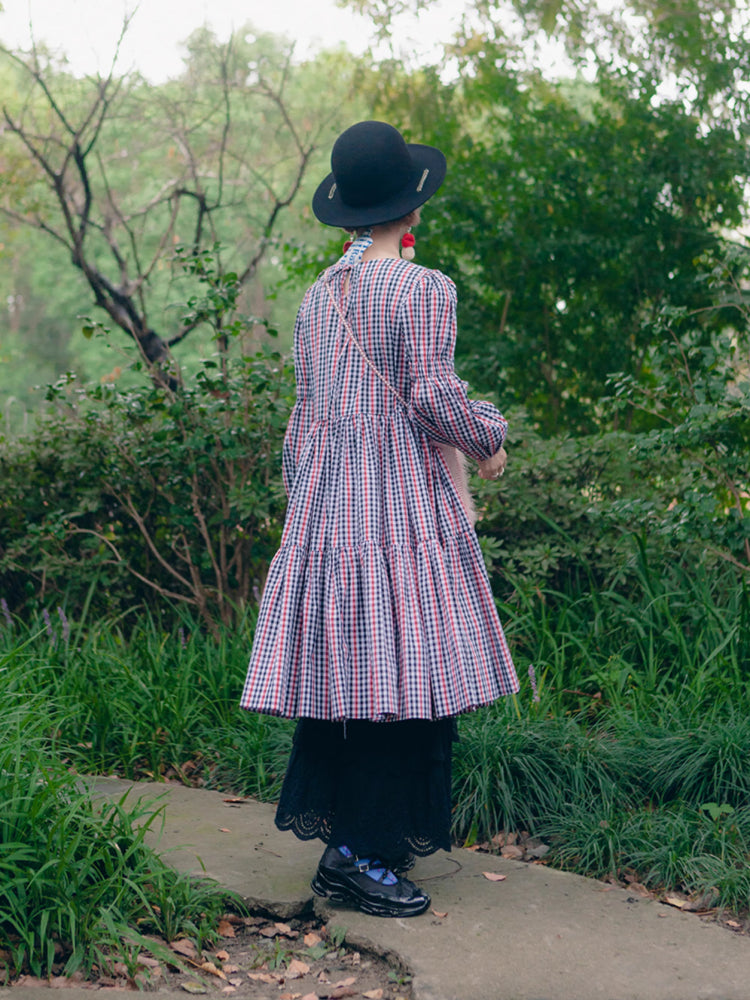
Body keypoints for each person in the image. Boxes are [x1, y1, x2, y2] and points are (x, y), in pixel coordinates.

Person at [240, 120, 518, 918]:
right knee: (404, 679)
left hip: (330, 508)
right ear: (413, 207)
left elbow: (304, 418)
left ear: (350, 208)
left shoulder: (317, 297)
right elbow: (431, 396)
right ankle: (358, 859)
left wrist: (306, 507)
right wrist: (490, 435)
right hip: (398, 511)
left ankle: (362, 843)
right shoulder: (423, 289)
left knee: (355, 676)